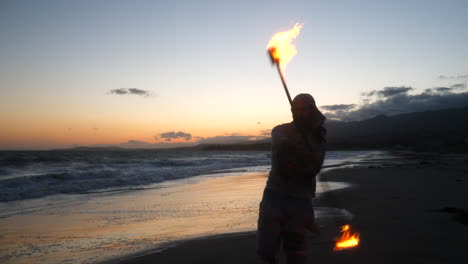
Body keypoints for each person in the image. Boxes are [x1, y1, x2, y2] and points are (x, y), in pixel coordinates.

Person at [257, 93, 326, 264]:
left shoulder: (319, 136)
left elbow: (313, 169)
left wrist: (308, 144)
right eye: (297, 109)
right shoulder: (279, 130)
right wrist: (301, 146)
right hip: (274, 197)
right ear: (292, 111)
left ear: (312, 110)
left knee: (296, 253)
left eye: (305, 109)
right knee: (266, 249)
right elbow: (282, 151)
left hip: (300, 201)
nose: (301, 113)